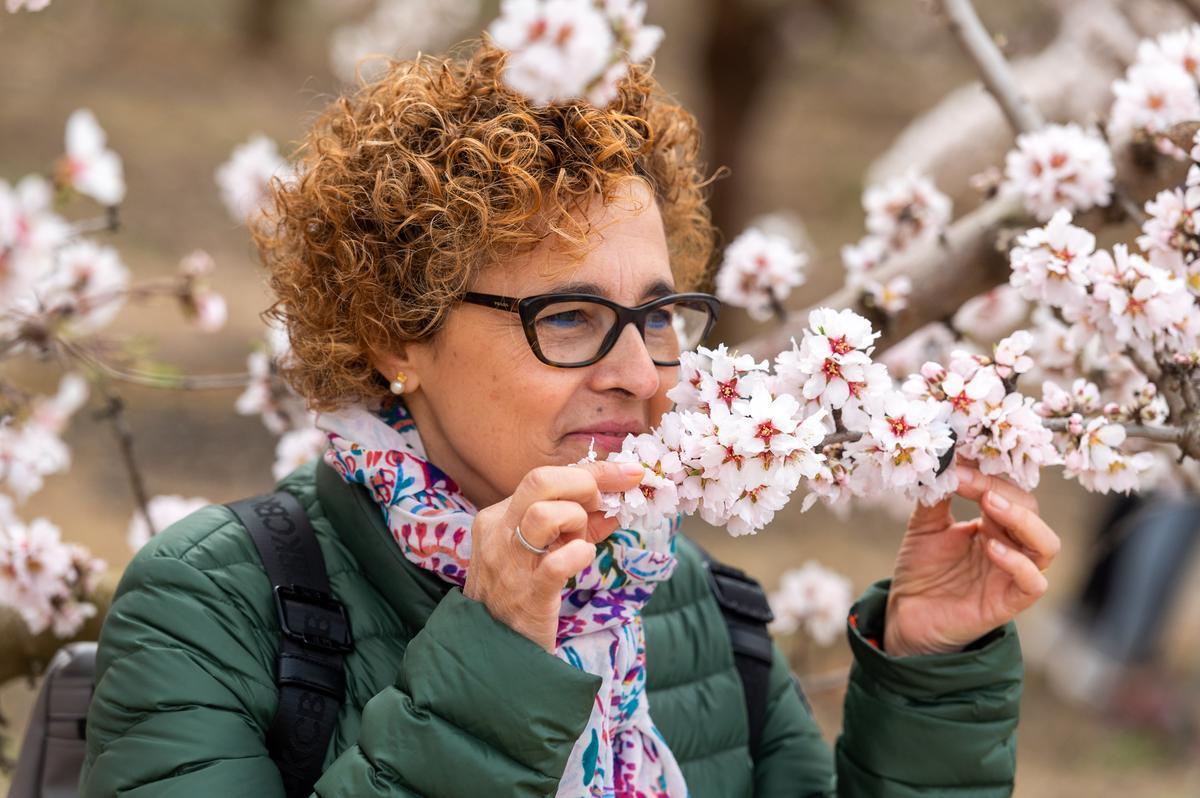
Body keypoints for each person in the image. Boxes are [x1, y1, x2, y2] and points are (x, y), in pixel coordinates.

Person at [79, 42, 1060, 797]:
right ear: (395, 337)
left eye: (659, 316)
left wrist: (932, 674)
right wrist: (492, 663)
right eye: (572, 317)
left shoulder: (699, 608)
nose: (639, 371)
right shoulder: (213, 607)